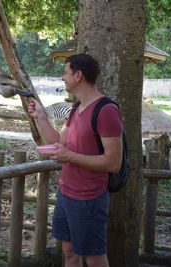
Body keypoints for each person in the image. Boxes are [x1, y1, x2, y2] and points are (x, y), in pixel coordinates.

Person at [28, 53, 123, 267]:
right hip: (66, 192)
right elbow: (59, 143)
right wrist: (41, 117)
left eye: (65, 72)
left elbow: (113, 162)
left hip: (89, 197)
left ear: (78, 75)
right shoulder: (75, 109)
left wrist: (69, 156)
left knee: (94, 257)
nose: (63, 78)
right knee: (69, 252)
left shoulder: (106, 110)